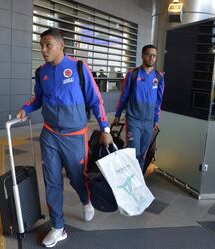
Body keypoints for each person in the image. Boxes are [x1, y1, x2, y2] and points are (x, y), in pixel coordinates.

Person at [17, 28, 113, 248]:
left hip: (75, 136)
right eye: (41, 45)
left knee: (77, 177)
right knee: (52, 181)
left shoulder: (78, 68)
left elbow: (95, 98)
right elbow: (38, 97)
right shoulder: (41, 72)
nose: (43, 49)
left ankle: (86, 200)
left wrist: (105, 129)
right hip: (50, 134)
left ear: (61, 45)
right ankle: (58, 226)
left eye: (48, 45)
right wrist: (26, 108)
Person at [113, 44, 165, 169]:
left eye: (154, 55)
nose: (151, 58)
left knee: (142, 154)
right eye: (148, 54)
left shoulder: (158, 77)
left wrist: (156, 119)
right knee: (133, 152)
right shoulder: (133, 74)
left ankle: (138, 181)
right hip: (133, 120)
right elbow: (123, 96)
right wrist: (117, 114)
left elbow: (158, 100)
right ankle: (129, 181)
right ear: (142, 56)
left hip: (149, 122)